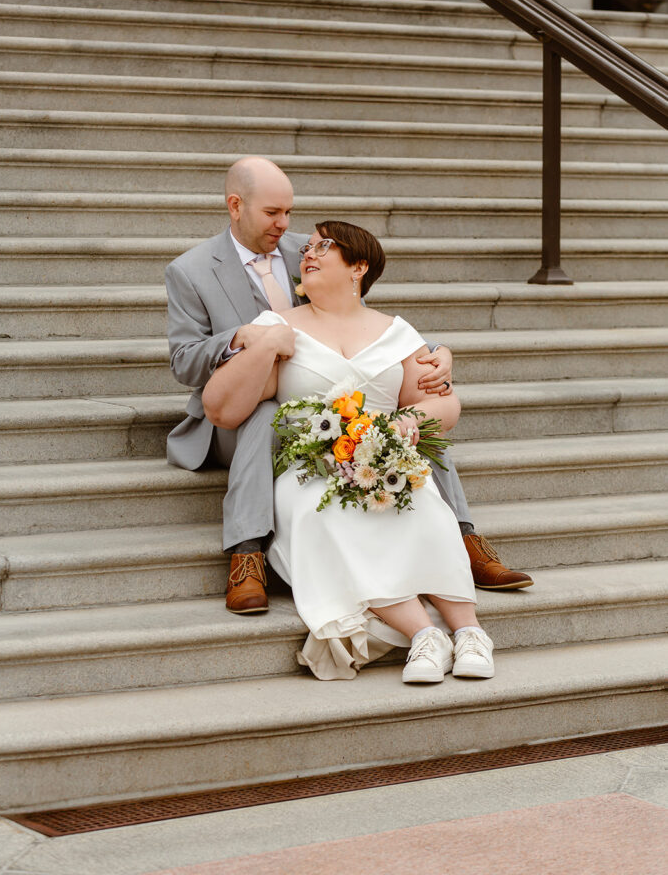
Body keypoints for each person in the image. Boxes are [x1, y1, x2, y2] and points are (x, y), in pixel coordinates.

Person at [165, 156, 532, 615]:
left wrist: (439, 351)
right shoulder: (192, 270)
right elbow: (184, 363)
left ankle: (464, 536)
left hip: (326, 397)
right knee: (264, 414)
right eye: (272, 213)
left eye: (289, 212)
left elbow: (361, 322)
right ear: (235, 206)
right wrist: (243, 337)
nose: (285, 226)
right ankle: (246, 554)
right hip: (237, 415)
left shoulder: (309, 249)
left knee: (399, 417)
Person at [202, 220, 495, 682]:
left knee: (426, 506)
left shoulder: (396, 333)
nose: (307, 254)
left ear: (358, 267)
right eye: (308, 249)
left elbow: (443, 401)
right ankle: (425, 635)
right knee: (329, 515)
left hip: (385, 461)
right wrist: (263, 348)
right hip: (312, 470)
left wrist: (407, 423)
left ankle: (471, 633)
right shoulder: (278, 326)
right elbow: (221, 408)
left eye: (324, 247)